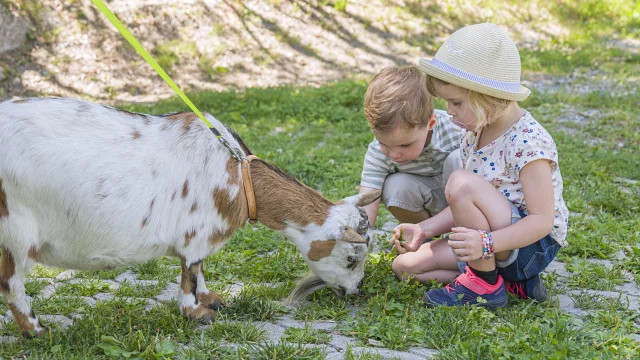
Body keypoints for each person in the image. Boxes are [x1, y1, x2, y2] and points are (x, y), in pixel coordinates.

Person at [389, 23, 569, 309]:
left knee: (460, 182)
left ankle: (484, 282)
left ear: (489, 96)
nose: (449, 112)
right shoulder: (474, 130)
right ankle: (502, 283)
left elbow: (541, 221)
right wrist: (424, 228)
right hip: (489, 244)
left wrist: (485, 244)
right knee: (404, 266)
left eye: (457, 102)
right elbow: (467, 204)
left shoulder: (529, 142)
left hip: (528, 247)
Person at [358, 66, 462, 229]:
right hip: (428, 205)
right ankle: (425, 235)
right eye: (383, 143)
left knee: (457, 158)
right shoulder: (378, 153)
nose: (394, 154)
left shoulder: (456, 129)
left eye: (405, 145)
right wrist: (361, 234)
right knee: (395, 187)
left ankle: (468, 229)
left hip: (466, 201)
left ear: (430, 123)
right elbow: (368, 198)